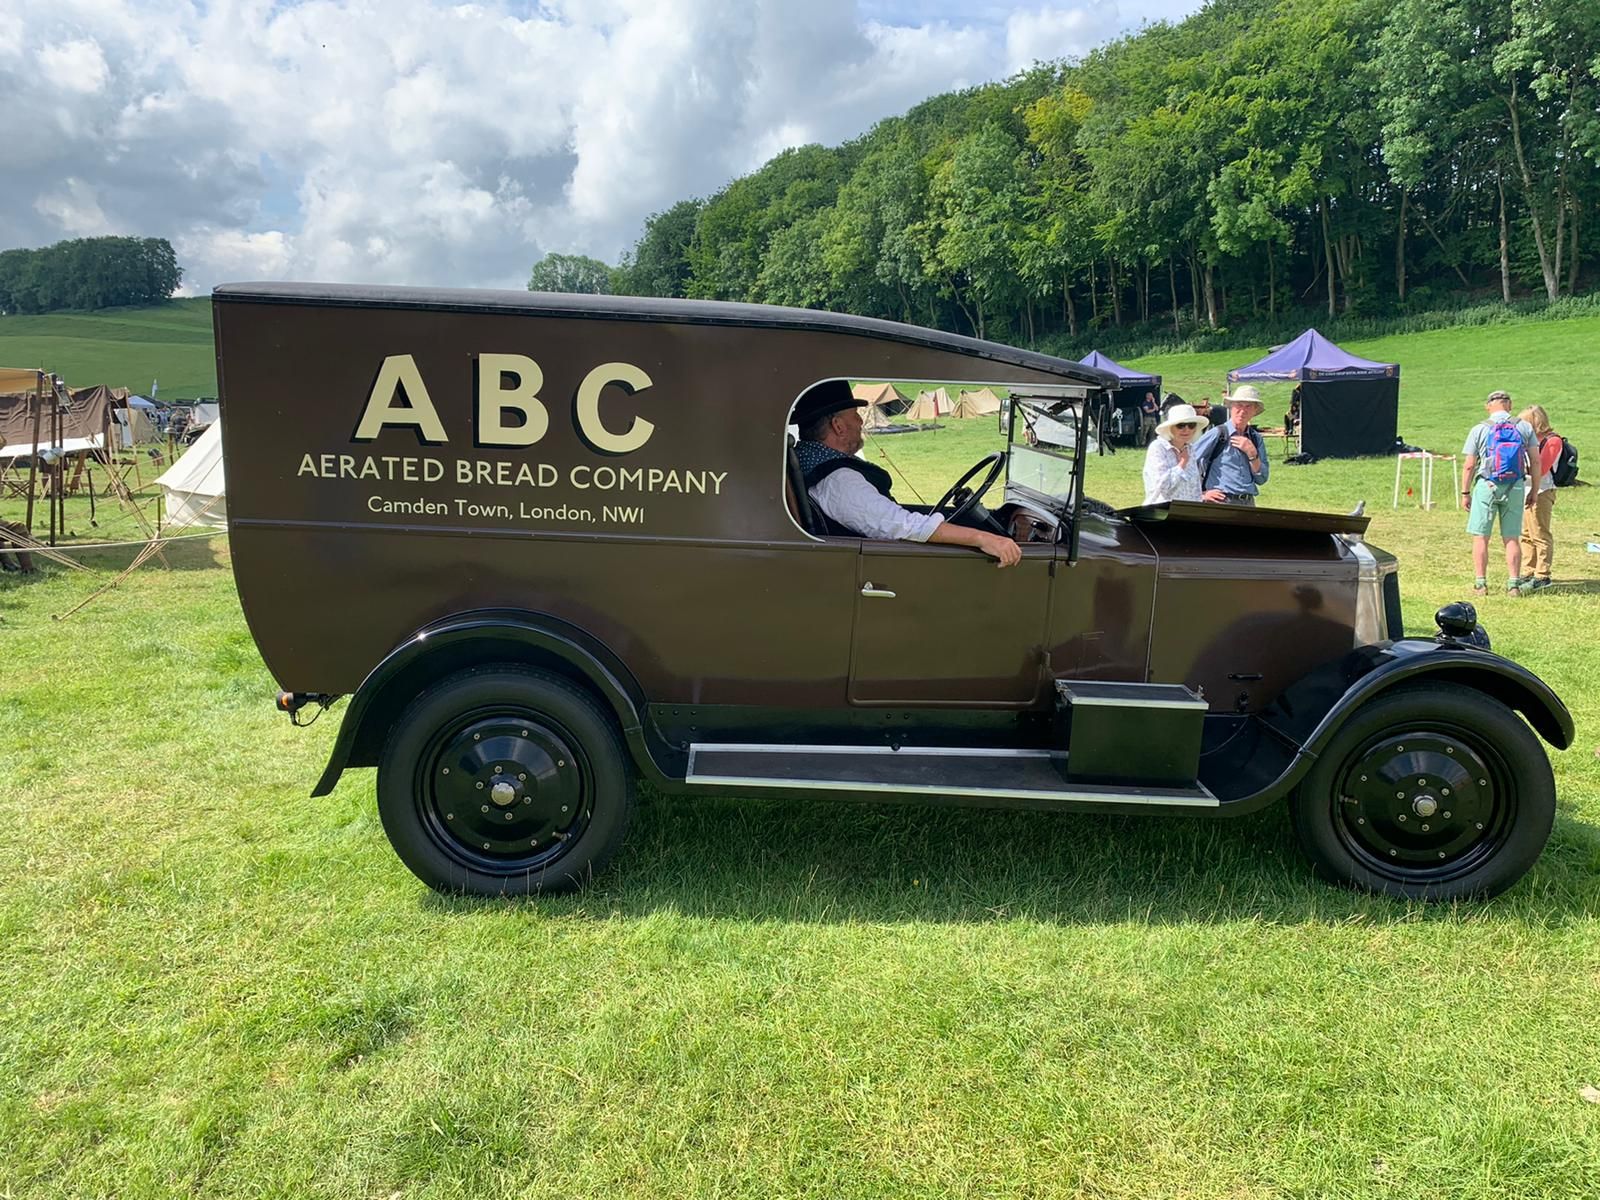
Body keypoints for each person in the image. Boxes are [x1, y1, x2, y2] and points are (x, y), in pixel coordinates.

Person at [791, 381, 1021, 567]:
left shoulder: (815, 462)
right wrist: (984, 538)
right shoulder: (838, 480)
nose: (861, 421)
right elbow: (899, 524)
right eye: (855, 415)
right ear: (838, 426)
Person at [1459, 390, 1539, 597]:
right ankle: (1513, 584)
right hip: (1515, 486)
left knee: (1481, 537)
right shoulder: (1524, 427)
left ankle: (1480, 583)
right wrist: (1535, 490)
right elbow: (1535, 461)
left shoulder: (1479, 429)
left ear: (1488, 406)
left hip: (1487, 486)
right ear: (1509, 405)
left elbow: (1469, 465)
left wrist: (1465, 492)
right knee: (1511, 537)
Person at [1193, 385, 1269, 505]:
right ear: (1231, 407)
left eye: (1248, 406)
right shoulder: (1218, 433)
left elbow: (1262, 479)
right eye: (1239, 405)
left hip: (1248, 503)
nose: (1242, 411)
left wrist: (1252, 454)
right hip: (1220, 502)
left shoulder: (1255, 438)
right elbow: (1188, 462)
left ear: (1255, 411)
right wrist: (1200, 494)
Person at [1516, 404, 1562, 593]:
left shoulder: (1552, 441)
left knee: (1540, 534)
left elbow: (1541, 469)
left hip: (1543, 491)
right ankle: (1528, 570)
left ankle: (1543, 575)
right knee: (1526, 534)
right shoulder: (1530, 441)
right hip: (1527, 490)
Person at [1142, 403, 1206, 505]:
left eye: (1191, 425)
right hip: (1161, 513)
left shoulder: (1190, 449)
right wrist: (1182, 464)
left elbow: (1195, 488)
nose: (1186, 429)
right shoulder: (1158, 448)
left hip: (1187, 514)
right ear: (1170, 428)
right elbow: (1163, 486)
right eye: (1180, 425)